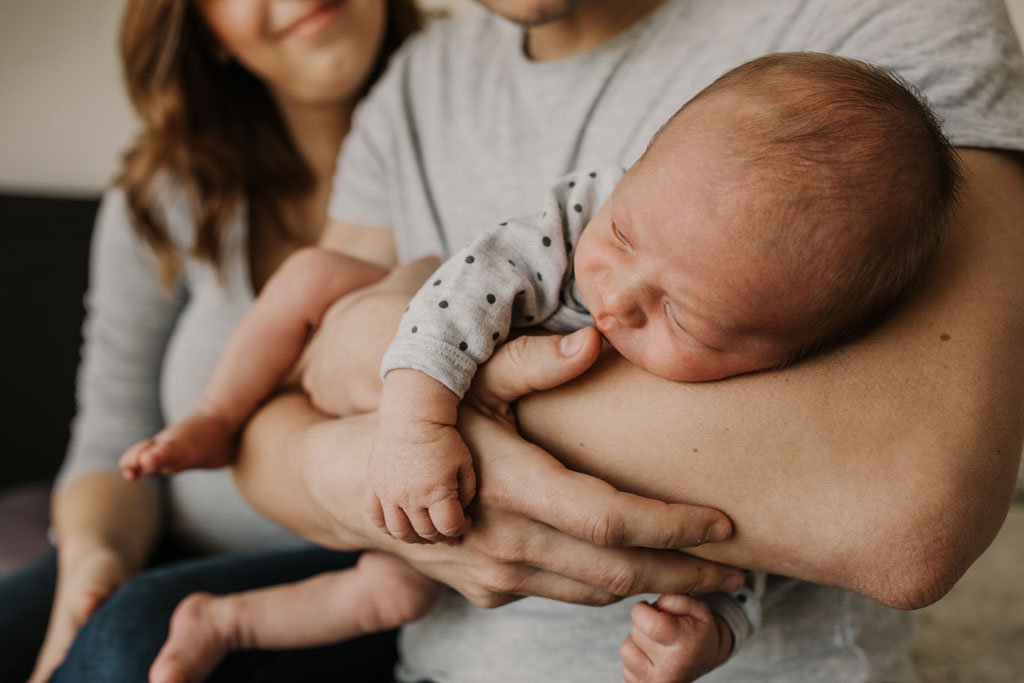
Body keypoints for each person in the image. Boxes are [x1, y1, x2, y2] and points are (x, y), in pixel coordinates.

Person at [56, 0, 1024, 681]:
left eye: (682, 317)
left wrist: (709, 632)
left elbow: (894, 525)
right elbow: (307, 386)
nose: (613, 296)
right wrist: (397, 412)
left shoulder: (878, 54)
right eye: (627, 241)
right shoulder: (425, 95)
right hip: (437, 620)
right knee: (162, 631)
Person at [0, 1, 424, 682]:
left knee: (135, 639)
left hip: (357, 582)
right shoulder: (171, 193)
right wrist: (95, 557)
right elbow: (112, 435)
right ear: (205, 30)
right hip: (164, 540)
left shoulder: (460, 145)